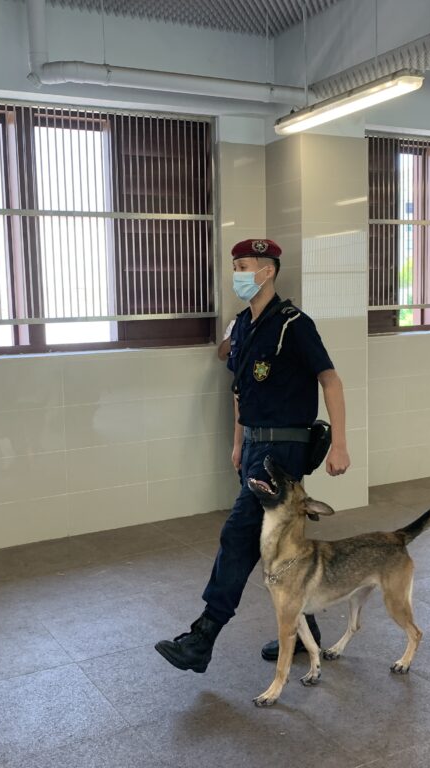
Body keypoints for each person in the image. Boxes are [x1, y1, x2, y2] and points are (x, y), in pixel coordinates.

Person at [155, 238, 351, 673]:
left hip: (284, 447)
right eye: (235, 267)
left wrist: (339, 443)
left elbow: (330, 380)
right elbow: (241, 391)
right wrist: (239, 443)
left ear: (268, 270)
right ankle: (306, 632)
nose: (238, 275)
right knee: (280, 542)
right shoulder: (244, 325)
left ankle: (203, 638)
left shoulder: (293, 324)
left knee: (239, 534)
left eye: (244, 266)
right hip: (256, 447)